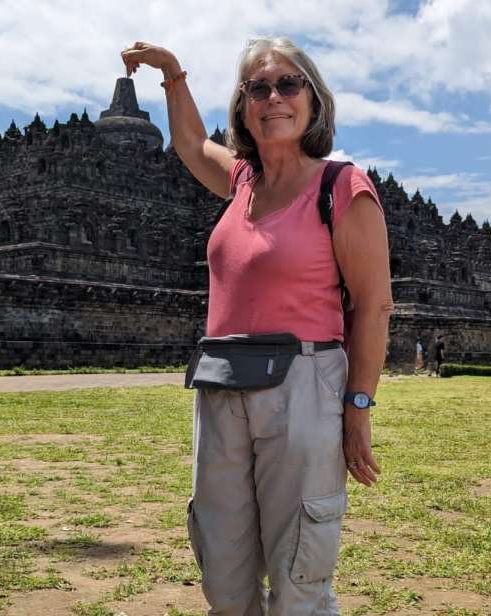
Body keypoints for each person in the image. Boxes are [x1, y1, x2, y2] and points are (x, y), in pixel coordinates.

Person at [122, 37, 394, 615]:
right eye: (258, 88)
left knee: (299, 572)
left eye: (288, 84)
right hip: (222, 383)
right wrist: (172, 73)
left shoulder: (341, 187)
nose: (274, 98)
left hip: (303, 384)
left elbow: (372, 307)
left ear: (314, 101)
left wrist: (358, 409)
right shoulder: (242, 181)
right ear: (242, 106)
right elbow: (193, 145)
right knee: (223, 567)